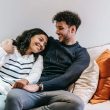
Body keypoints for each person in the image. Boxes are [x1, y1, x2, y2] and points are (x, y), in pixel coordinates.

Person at [5, 10, 90, 110]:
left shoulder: (82, 54)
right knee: (13, 95)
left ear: (72, 29)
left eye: (60, 28)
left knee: (77, 104)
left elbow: (67, 78)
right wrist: (8, 42)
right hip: (31, 90)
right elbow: (29, 39)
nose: (56, 31)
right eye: (56, 28)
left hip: (57, 93)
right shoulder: (49, 42)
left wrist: (40, 86)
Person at [0, 28, 48, 95]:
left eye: (45, 44)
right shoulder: (12, 48)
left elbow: (36, 74)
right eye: (40, 40)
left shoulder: (38, 58)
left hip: (13, 91)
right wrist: (4, 50)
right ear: (30, 36)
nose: (42, 45)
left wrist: (26, 80)